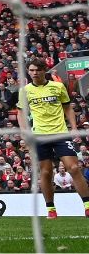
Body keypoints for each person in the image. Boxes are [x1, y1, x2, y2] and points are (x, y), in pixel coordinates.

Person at [18, 58, 89, 219]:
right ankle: (51, 209)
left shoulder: (58, 87)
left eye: (37, 70)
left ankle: (87, 205)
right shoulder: (25, 90)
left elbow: (68, 108)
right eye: (31, 70)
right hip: (39, 136)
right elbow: (21, 112)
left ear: (44, 71)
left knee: (74, 168)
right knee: (46, 172)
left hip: (61, 133)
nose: (34, 73)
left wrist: (75, 128)